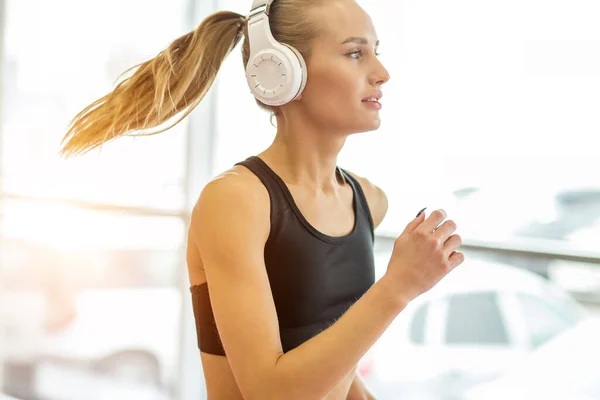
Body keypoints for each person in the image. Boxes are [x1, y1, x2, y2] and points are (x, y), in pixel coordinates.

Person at [59, 0, 464, 398]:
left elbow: (334, 364)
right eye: (355, 53)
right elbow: (270, 392)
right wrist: (397, 287)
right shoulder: (235, 201)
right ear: (282, 71)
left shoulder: (367, 201)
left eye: (376, 52)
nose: (382, 73)